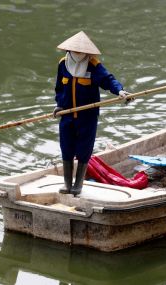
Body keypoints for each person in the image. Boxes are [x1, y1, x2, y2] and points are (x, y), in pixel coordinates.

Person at [53, 31, 130, 196]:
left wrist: (120, 91)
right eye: (75, 51)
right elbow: (59, 87)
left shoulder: (93, 65)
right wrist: (59, 105)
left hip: (86, 117)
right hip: (67, 115)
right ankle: (67, 184)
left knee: (83, 149)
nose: (78, 54)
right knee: (66, 148)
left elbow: (108, 80)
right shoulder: (62, 64)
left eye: (82, 52)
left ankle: (78, 185)